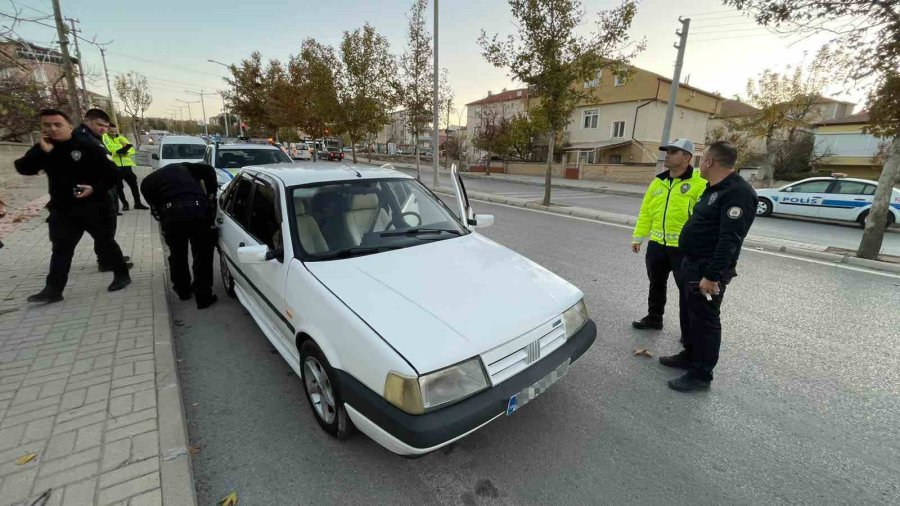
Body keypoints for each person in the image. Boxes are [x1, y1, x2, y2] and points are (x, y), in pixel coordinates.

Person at [659, 141, 757, 392]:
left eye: (702, 159)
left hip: (708, 269)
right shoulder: (713, 188)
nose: (700, 163)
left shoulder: (738, 193)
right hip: (692, 263)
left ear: (710, 162)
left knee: (705, 320)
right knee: (691, 313)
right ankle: (690, 355)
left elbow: (729, 240)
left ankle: (701, 374)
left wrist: (712, 276)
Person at [14, 109, 132, 303]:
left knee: (106, 243)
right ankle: (53, 289)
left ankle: (122, 275)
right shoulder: (44, 147)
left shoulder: (86, 145)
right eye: (47, 125)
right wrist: (41, 151)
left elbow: (112, 175)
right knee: (61, 249)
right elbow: (24, 168)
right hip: (63, 209)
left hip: (94, 206)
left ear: (69, 126)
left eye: (57, 124)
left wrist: (94, 188)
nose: (52, 129)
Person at [631, 138, 706, 337]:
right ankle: (654, 318)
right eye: (667, 151)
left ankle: (688, 333)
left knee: (687, 291)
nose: (667, 155)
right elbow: (646, 211)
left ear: (686, 157)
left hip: (683, 248)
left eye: (673, 151)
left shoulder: (699, 183)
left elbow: (703, 218)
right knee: (656, 283)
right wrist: (638, 237)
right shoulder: (658, 181)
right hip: (657, 245)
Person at [140, 162, 218, 309]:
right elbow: (209, 170)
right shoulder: (191, 168)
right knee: (202, 254)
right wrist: (210, 196)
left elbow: (154, 206)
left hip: (172, 216)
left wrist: (161, 214)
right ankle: (203, 297)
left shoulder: (149, 180)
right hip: (198, 211)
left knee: (177, 254)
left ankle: (183, 291)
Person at [74, 108, 131, 271]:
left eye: (106, 126)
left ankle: (109, 256)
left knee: (106, 227)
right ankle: (107, 261)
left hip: (101, 188)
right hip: (94, 191)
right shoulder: (82, 138)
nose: (103, 129)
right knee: (104, 228)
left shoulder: (94, 137)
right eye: (100, 125)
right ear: (88, 121)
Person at [103, 124, 149, 211]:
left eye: (115, 131)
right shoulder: (105, 137)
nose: (113, 133)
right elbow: (111, 148)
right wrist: (122, 147)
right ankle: (125, 204)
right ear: (107, 130)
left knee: (134, 184)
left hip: (127, 166)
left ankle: (138, 203)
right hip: (116, 166)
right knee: (119, 187)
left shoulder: (121, 138)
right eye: (111, 131)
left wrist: (126, 152)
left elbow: (131, 149)